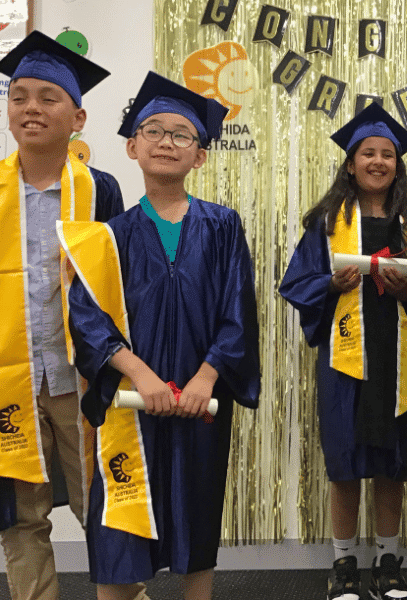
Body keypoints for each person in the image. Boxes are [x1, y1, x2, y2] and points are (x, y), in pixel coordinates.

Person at [62, 71, 260, 600]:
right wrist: (140, 375)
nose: (166, 141)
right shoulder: (109, 237)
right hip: (131, 405)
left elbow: (237, 311)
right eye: (154, 130)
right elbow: (87, 318)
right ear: (132, 146)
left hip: (201, 402)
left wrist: (206, 378)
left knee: (196, 524)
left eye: (182, 135)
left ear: (199, 156)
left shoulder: (223, 226)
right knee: (120, 538)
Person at [280, 102, 407, 600]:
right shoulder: (328, 221)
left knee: (392, 462)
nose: (377, 161)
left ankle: (388, 561)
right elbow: (296, 282)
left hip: (399, 358)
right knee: (346, 462)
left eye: (387, 154)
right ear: (350, 164)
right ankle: (344, 563)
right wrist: (331, 284)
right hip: (345, 361)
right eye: (367, 153)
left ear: (398, 164)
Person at [0, 30, 123, 600]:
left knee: (105, 507)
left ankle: (126, 593)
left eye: (48, 97)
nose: (30, 107)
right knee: (23, 521)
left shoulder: (102, 192)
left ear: (77, 117)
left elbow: (122, 290)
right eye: (18, 95)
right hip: (10, 381)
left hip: (82, 380)